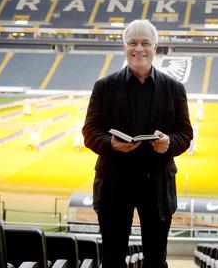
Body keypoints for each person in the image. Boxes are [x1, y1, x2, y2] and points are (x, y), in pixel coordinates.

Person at [82, 19, 193, 268]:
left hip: (157, 185)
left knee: (156, 260)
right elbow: (89, 132)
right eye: (132, 43)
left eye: (145, 43)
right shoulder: (104, 86)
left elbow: (185, 133)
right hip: (114, 184)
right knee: (112, 259)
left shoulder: (174, 88)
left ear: (156, 47)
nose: (139, 49)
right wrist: (111, 144)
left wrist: (168, 144)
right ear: (124, 47)